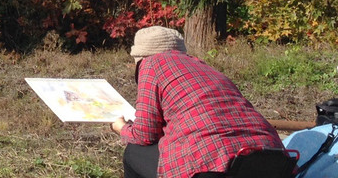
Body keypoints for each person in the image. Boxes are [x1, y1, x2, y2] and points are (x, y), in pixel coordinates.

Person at [109, 26, 284, 178]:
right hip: (273, 157)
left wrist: (122, 128)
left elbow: (144, 135)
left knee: (134, 152)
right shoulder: (203, 66)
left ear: (140, 56)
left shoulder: (151, 63)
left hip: (211, 160)